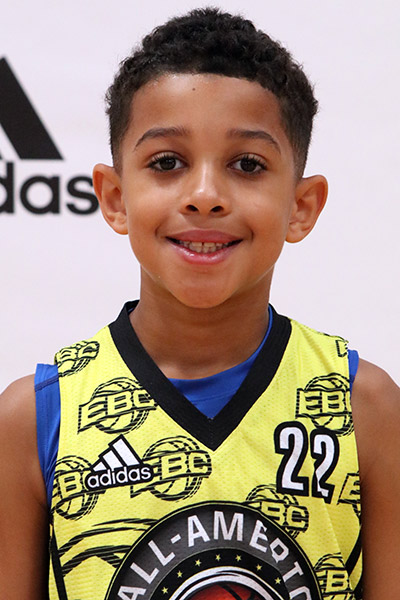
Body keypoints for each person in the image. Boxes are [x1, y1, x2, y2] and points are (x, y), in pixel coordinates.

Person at [0, 7, 399, 600]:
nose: (206, 195)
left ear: (301, 206)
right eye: (167, 163)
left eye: (247, 164)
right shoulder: (35, 418)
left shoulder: (365, 408)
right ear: (114, 197)